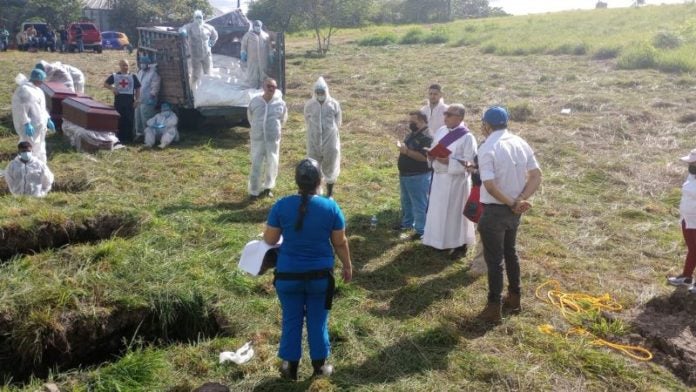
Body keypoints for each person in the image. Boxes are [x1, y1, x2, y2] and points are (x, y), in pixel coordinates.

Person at [263, 158, 353, 381]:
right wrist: (347, 265)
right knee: (317, 320)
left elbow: (270, 238)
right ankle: (319, 368)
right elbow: (340, 242)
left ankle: (289, 367)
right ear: (320, 181)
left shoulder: (281, 205)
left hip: (287, 276)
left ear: (296, 181)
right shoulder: (331, 207)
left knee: (291, 319)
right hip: (320, 278)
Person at [476, 106, 542, 323]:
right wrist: (521, 199)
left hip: (496, 210)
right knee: (510, 253)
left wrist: (514, 202)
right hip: (514, 211)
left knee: (494, 260)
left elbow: (490, 186)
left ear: (486, 124)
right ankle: (514, 297)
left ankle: (493, 307)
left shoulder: (488, 147)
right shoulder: (520, 142)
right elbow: (536, 175)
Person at [422, 104, 477, 259]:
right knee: (438, 211)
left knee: (454, 214)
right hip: (439, 178)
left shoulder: (467, 137)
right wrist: (431, 155)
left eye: (449, 114)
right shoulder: (440, 131)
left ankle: (459, 244)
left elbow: (470, 162)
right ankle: (438, 242)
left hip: (456, 182)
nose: (444, 117)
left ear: (459, 117)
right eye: (445, 113)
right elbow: (433, 148)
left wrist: (449, 162)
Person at [247, 78, 287, 199]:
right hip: (257, 139)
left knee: (272, 163)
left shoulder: (280, 104)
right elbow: (250, 117)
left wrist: (273, 131)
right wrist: (258, 129)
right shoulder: (255, 102)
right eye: (269, 86)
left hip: (272, 139)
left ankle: (268, 187)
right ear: (263, 87)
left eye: (273, 87)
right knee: (256, 164)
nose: (271, 89)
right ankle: (254, 191)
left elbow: (283, 119)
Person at [395, 111, 433, 239]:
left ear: (422, 121)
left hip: (418, 176)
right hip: (405, 174)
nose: (410, 123)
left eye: (413, 121)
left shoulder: (427, 137)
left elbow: (424, 157)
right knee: (406, 201)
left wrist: (406, 151)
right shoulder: (412, 134)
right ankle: (407, 224)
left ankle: (421, 230)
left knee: (419, 203)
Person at [304, 76, 342, 198]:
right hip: (314, 140)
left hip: (330, 141)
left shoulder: (334, 104)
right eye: (318, 92)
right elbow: (307, 119)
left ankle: (329, 193)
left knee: (330, 165)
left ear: (327, 92)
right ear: (315, 93)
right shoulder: (309, 105)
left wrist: (330, 132)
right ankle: (316, 192)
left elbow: (338, 121)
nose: (320, 94)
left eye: (322, 92)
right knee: (314, 166)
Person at [667, 149, 696, 294]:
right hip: (687, 219)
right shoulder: (692, 176)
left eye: (692, 163)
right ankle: (686, 277)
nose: (690, 165)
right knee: (693, 249)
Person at [11, 69, 55, 163]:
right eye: (41, 80)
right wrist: (26, 123)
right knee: (29, 145)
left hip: (40, 125)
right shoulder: (24, 90)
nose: (42, 82)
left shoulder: (38, 90)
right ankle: (27, 165)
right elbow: (21, 109)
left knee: (40, 144)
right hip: (31, 126)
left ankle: (40, 164)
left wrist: (48, 119)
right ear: (36, 79)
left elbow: (42, 108)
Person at [103, 59, 141, 143]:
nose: (125, 67)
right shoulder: (115, 76)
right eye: (123, 65)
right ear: (120, 66)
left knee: (129, 120)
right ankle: (119, 139)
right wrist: (112, 88)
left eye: (126, 65)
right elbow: (105, 84)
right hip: (119, 101)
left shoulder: (133, 76)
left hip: (130, 102)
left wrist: (137, 100)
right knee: (119, 119)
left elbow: (138, 88)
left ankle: (129, 139)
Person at [181, 10, 218, 86]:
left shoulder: (208, 27)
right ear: (194, 18)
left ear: (202, 18)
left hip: (206, 54)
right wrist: (183, 32)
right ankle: (194, 90)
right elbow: (183, 28)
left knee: (208, 72)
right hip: (195, 55)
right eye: (197, 17)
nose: (199, 19)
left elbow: (215, 35)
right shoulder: (190, 26)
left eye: (200, 17)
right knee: (195, 73)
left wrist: (212, 41)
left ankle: (208, 88)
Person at [134, 56, 161, 140]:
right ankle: (140, 135)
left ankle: (149, 136)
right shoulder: (140, 72)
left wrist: (152, 97)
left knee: (146, 118)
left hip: (148, 100)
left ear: (148, 64)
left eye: (144, 63)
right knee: (137, 118)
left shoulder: (153, 73)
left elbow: (155, 86)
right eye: (141, 63)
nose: (142, 65)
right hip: (139, 99)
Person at [241, 20, 271, 89]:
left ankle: (262, 88)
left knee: (263, 73)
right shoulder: (248, 35)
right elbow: (243, 44)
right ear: (253, 26)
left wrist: (270, 54)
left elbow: (269, 46)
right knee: (253, 73)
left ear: (261, 26)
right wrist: (243, 52)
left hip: (263, 58)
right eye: (256, 26)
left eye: (259, 26)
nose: (257, 27)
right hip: (252, 58)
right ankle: (253, 88)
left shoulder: (265, 35)